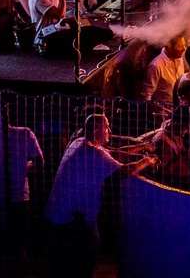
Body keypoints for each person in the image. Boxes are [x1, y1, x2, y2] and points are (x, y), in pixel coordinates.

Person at [44, 114, 152, 278]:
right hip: (69, 221)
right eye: (106, 127)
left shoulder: (79, 142)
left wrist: (142, 150)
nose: (109, 130)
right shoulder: (92, 153)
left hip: (60, 216)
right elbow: (126, 171)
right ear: (96, 130)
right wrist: (147, 161)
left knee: (77, 258)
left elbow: (115, 153)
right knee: (83, 261)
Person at [141, 36, 187, 104]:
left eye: (184, 45)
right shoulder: (156, 66)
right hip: (163, 110)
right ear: (169, 48)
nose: (184, 49)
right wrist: (150, 109)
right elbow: (147, 93)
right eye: (180, 46)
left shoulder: (180, 60)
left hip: (178, 108)